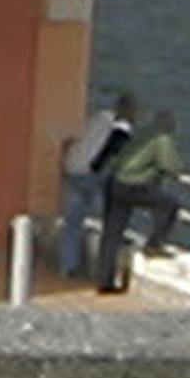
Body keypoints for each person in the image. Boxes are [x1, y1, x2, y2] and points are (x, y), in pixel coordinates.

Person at [97, 112, 190, 293]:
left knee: (112, 234)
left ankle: (104, 280)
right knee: (169, 204)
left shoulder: (142, 133)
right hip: (134, 186)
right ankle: (154, 244)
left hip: (115, 183)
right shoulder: (162, 139)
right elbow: (171, 166)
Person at [58, 92, 133, 281]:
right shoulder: (122, 128)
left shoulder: (98, 117)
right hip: (90, 173)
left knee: (73, 221)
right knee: (111, 211)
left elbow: (77, 140)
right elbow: (113, 155)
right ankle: (106, 262)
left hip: (72, 168)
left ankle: (68, 266)